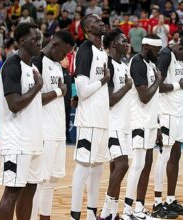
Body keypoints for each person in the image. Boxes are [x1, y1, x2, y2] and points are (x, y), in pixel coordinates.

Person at [0, 22, 43, 220]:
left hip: (33, 140)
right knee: (12, 191)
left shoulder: (31, 66)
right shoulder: (12, 65)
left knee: (30, 189)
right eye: (35, 39)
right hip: (16, 141)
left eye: (40, 38)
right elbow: (14, 104)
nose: (39, 43)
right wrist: (37, 86)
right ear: (22, 41)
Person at [30, 30, 74, 220]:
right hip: (43, 131)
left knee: (52, 179)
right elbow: (31, 98)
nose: (65, 57)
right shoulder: (36, 61)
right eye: (64, 52)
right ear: (54, 44)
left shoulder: (57, 65)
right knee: (38, 180)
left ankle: (45, 217)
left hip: (57, 131)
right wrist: (58, 91)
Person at [153, 37, 183, 216]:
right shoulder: (165, 56)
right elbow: (157, 86)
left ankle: (171, 200)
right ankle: (158, 202)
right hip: (166, 113)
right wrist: (179, 85)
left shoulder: (178, 57)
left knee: (176, 154)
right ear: (179, 47)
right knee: (164, 156)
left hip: (178, 112)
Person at [70, 14, 109, 220]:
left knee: (98, 169)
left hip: (103, 118)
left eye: (101, 20)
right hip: (88, 120)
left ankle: (92, 214)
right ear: (86, 29)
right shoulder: (85, 50)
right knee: (83, 167)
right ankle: (74, 216)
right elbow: (82, 90)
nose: (101, 23)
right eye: (95, 21)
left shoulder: (102, 50)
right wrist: (104, 80)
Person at [121, 34, 164, 220]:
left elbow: (155, 99)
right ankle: (127, 211)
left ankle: (138, 208)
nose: (159, 53)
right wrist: (158, 81)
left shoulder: (150, 65)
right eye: (157, 49)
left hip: (150, 122)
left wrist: (159, 125)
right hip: (138, 121)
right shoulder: (137, 63)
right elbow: (144, 96)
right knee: (137, 165)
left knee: (145, 164)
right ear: (146, 46)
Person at [98, 28, 132, 220]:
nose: (127, 43)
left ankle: (112, 213)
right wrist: (127, 86)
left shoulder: (124, 65)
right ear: (113, 44)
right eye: (123, 40)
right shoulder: (108, 63)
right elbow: (109, 99)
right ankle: (104, 213)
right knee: (122, 165)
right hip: (113, 123)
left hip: (124, 123)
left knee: (115, 168)